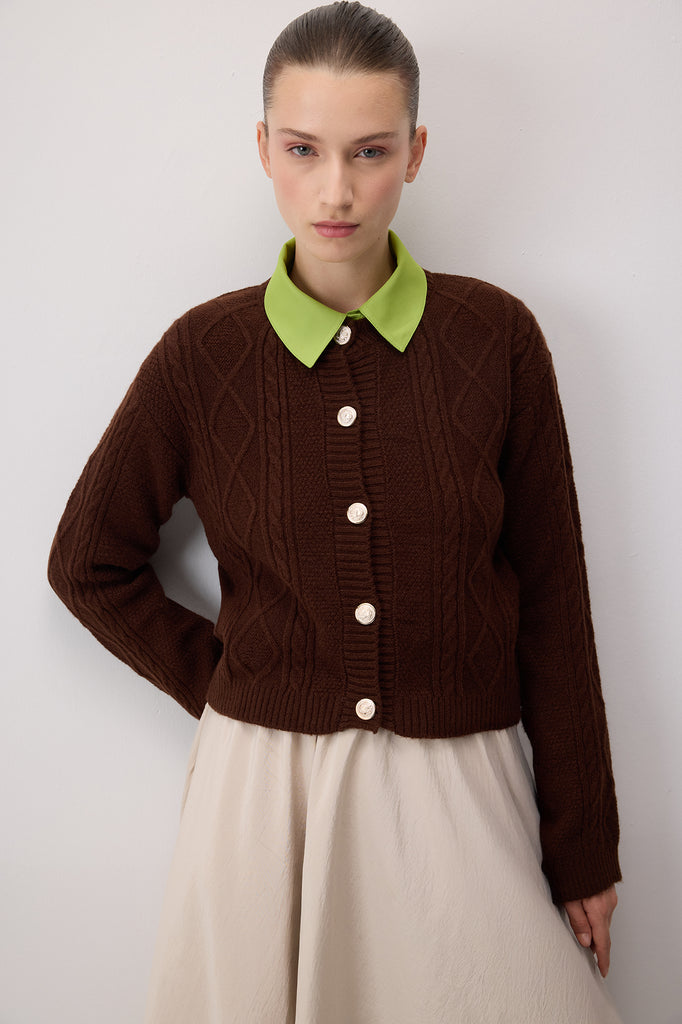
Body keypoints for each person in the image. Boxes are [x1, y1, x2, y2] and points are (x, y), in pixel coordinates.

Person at [47, 3, 623, 1021]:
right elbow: (87, 562)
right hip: (262, 802)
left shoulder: (496, 339)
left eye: (371, 151)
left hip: (462, 787)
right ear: (263, 148)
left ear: (416, 152)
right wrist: (232, 683)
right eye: (304, 149)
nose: (337, 190)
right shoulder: (202, 355)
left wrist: (584, 845)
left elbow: (553, 602)